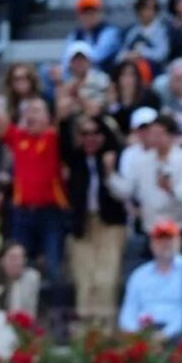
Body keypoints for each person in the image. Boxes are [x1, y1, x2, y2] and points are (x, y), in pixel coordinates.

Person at [0, 61, 68, 283]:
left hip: (51, 213)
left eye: (37, 110)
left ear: (48, 117)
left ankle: (56, 316)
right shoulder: (19, 138)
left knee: (54, 267)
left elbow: (64, 110)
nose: (31, 114)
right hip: (22, 213)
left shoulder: (53, 138)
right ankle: (19, 315)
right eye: (28, 111)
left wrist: (58, 83)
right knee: (17, 267)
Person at [62, 114, 128, 326]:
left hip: (110, 225)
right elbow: (62, 138)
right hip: (83, 225)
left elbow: (125, 193)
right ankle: (85, 333)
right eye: (85, 134)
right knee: (85, 280)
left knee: (106, 279)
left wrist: (108, 172)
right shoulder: (75, 160)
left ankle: (106, 330)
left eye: (95, 133)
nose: (90, 138)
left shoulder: (114, 157)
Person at [108, 113, 182, 246]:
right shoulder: (141, 161)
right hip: (150, 229)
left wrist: (171, 188)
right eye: (152, 133)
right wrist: (109, 174)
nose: (155, 138)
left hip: (179, 228)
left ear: (171, 136)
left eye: (159, 134)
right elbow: (126, 190)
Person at [119, 220, 182, 340]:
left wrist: (164, 335)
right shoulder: (139, 274)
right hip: (142, 333)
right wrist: (136, 334)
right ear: (152, 244)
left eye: (169, 239)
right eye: (160, 240)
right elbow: (129, 310)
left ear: (179, 242)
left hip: (178, 334)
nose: (165, 244)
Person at [117, 0, 172, 76]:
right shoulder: (133, 31)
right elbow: (120, 55)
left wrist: (141, 53)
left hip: (155, 71)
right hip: (132, 70)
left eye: (150, 8)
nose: (146, 12)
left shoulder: (162, 30)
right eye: (143, 8)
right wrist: (127, 55)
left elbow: (161, 54)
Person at [65, 0, 121, 74]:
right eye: (85, 13)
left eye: (92, 12)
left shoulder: (109, 32)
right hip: (80, 75)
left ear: (100, 13)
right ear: (79, 16)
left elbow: (97, 56)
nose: (88, 17)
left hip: (105, 76)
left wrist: (78, 59)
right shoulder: (75, 34)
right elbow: (66, 58)